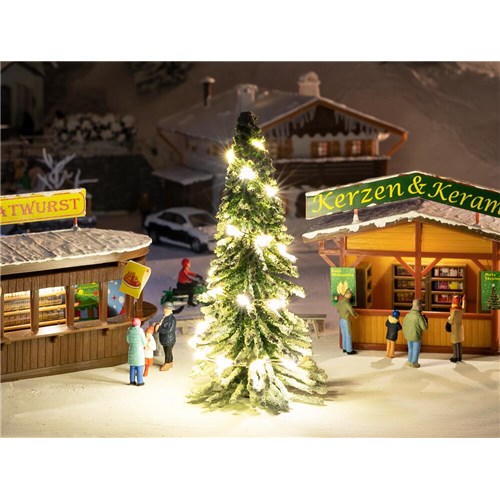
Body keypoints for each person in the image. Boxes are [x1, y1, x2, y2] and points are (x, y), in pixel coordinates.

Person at [403, 299, 428, 368]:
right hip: (416, 336)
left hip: (408, 336)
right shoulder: (419, 316)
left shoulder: (407, 315)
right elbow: (424, 328)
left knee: (410, 349)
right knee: (416, 350)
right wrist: (425, 321)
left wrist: (405, 334)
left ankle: (409, 361)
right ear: (419, 306)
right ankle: (414, 363)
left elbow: (404, 325)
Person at [335, 288, 358, 355]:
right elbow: (351, 310)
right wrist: (355, 315)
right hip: (346, 320)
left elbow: (337, 309)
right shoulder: (347, 302)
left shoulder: (340, 301)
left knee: (344, 334)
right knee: (348, 335)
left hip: (341, 319)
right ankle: (349, 350)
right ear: (348, 294)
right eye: (350, 294)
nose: (350, 296)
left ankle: (344, 348)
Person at [155, 302, 177, 371]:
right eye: (164, 308)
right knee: (168, 352)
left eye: (166, 309)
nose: (164, 310)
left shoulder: (172, 319)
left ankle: (168, 363)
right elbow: (164, 325)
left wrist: (158, 329)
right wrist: (159, 325)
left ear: (170, 310)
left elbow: (169, 330)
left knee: (168, 352)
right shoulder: (166, 317)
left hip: (169, 339)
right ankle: (170, 362)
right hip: (165, 339)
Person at [126, 317, 147, 385]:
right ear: (139, 324)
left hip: (132, 349)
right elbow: (144, 341)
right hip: (139, 351)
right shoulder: (140, 331)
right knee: (139, 366)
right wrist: (145, 343)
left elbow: (127, 340)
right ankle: (140, 381)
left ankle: (132, 381)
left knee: (132, 367)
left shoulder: (129, 330)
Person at [448, 295, 465, 363]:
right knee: (459, 342)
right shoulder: (460, 309)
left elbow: (451, 319)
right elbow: (464, 307)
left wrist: (448, 320)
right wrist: (464, 300)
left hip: (454, 327)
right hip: (459, 327)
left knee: (454, 343)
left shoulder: (454, 310)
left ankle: (455, 357)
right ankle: (460, 357)